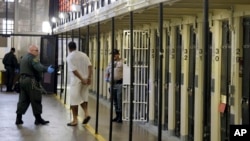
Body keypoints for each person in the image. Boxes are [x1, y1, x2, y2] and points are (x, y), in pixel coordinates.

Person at [15, 45, 55, 125]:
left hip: (22, 80)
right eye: (36, 50)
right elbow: (38, 67)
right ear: (31, 51)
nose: (38, 52)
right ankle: (38, 119)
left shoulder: (24, 58)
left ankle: (18, 119)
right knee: (36, 98)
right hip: (31, 81)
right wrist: (47, 69)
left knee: (23, 100)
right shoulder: (33, 58)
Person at [66, 41, 92, 126]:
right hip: (85, 78)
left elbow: (74, 71)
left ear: (69, 48)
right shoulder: (84, 55)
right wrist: (88, 78)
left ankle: (75, 120)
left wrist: (81, 79)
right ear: (75, 47)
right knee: (83, 97)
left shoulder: (70, 57)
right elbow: (90, 66)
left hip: (76, 80)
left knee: (74, 100)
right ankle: (86, 113)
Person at [105, 49, 123, 123]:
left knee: (119, 100)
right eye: (112, 55)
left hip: (119, 84)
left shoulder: (122, 62)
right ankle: (117, 115)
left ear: (118, 54)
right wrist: (107, 79)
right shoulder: (110, 63)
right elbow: (107, 72)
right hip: (112, 84)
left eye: (115, 54)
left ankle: (120, 117)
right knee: (115, 101)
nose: (114, 56)